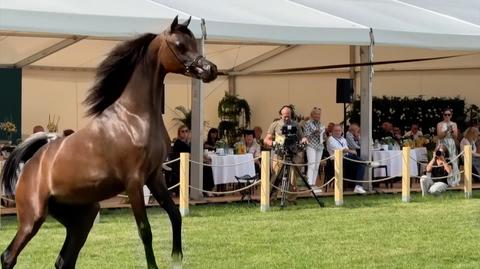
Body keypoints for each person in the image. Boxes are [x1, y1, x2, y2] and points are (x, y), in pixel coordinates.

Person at [264, 105, 307, 204]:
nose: (287, 118)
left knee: (293, 178)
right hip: (279, 154)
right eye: (285, 116)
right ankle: (271, 199)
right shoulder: (275, 125)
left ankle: (291, 200)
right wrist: (273, 143)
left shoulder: (296, 125)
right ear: (280, 115)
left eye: (289, 116)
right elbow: (266, 139)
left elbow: (302, 137)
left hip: (293, 154)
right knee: (276, 178)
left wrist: (304, 140)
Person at [172, 125, 214, 197]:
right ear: (179, 133)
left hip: (190, 163)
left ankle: (207, 189)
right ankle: (206, 190)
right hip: (183, 165)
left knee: (207, 166)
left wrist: (205, 158)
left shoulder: (188, 143)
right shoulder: (178, 143)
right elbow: (189, 156)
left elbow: (195, 153)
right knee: (205, 168)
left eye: (186, 131)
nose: (185, 133)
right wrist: (203, 161)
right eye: (182, 131)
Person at [326, 124, 366, 194]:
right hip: (336, 160)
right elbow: (341, 150)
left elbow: (346, 150)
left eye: (339, 130)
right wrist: (350, 151)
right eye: (336, 131)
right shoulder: (330, 139)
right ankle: (367, 163)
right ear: (332, 131)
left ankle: (358, 187)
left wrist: (349, 151)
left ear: (342, 131)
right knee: (358, 159)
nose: (338, 132)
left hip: (346, 159)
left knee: (361, 165)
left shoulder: (343, 139)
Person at [303, 107, 325, 190]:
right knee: (311, 165)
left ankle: (313, 184)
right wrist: (314, 132)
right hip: (311, 146)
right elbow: (306, 135)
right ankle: (309, 185)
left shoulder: (321, 123)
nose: (317, 116)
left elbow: (323, 135)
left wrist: (324, 135)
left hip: (320, 146)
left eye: (319, 114)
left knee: (316, 166)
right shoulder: (308, 123)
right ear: (312, 114)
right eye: (316, 114)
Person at [436, 108, 460, 186]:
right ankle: (442, 177)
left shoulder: (454, 124)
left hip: (451, 142)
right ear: (443, 115)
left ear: (451, 115)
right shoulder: (439, 124)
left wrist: (452, 131)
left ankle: (454, 179)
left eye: (448, 114)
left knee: (453, 160)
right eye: (445, 114)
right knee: (441, 158)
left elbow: (455, 136)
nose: (447, 116)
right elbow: (439, 136)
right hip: (443, 142)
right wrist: (446, 130)